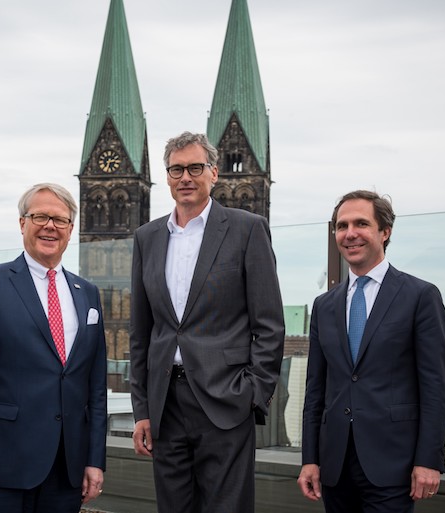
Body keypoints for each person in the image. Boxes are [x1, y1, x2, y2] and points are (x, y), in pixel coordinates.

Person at [130, 132, 286, 513]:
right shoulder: (147, 237)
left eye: (195, 168)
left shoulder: (247, 228)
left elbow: (269, 324)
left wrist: (252, 392)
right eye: (176, 169)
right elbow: (141, 332)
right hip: (165, 403)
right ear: (167, 177)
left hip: (225, 398)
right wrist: (142, 409)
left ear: (214, 173)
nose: (185, 177)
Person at [298, 190, 445, 512]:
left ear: (385, 231)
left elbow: (436, 387)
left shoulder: (420, 296)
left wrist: (429, 460)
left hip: (394, 465)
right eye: (341, 226)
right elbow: (315, 391)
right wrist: (310, 458)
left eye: (361, 224)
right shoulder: (324, 306)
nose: (350, 233)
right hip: (334, 466)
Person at [0, 183, 107, 513]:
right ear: (22, 223)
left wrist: (95, 460)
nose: (49, 226)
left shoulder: (87, 292)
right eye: (40, 216)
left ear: (71, 229)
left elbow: (95, 387)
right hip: (3, 466)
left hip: (67, 468)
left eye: (59, 220)